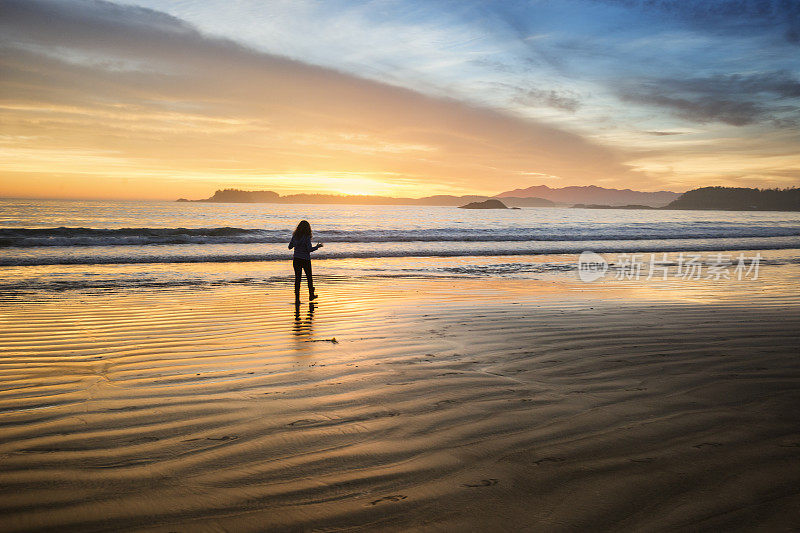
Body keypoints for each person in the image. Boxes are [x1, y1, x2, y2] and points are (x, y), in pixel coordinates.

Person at [288, 220, 323, 303]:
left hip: (296, 259)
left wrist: (295, 244)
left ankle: (297, 299)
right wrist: (317, 246)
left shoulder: (295, 236)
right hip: (305, 260)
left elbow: (289, 247)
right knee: (309, 278)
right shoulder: (306, 237)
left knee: (298, 279)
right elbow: (309, 249)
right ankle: (311, 295)